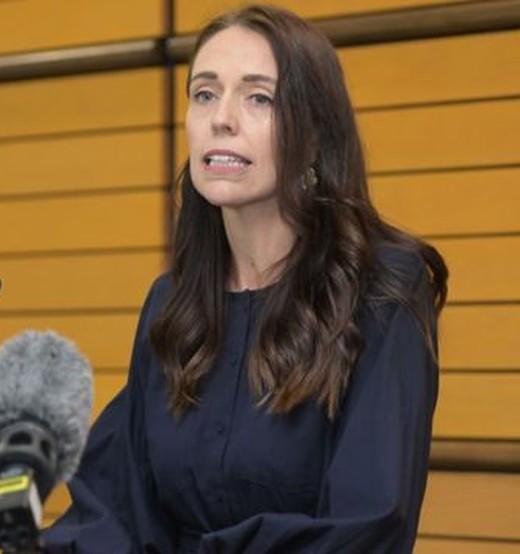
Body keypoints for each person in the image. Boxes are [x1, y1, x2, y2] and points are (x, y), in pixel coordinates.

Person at [42, 4, 448, 553]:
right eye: (205, 94)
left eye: (259, 97)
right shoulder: (173, 305)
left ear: (313, 132)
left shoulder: (382, 293)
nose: (221, 118)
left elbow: (367, 524)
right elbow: (116, 506)